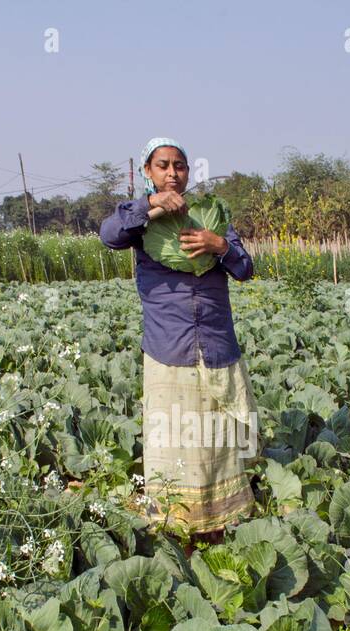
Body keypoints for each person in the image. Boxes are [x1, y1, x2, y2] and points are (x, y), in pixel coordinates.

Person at [98, 136, 262, 556]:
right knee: (174, 448)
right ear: (148, 173)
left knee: (217, 445)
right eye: (163, 165)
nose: (173, 173)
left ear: (189, 172)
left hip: (216, 346)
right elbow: (109, 234)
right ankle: (176, 542)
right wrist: (152, 207)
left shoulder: (210, 214)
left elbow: (245, 267)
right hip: (169, 350)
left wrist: (218, 245)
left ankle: (220, 534)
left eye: (180, 166)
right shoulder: (140, 221)